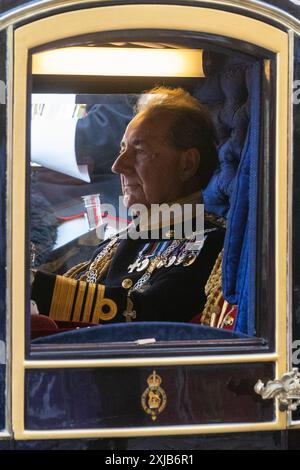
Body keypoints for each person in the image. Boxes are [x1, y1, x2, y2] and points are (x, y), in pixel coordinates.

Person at [31, 87, 224, 325]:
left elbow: (147, 315)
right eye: (122, 149)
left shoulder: (208, 242)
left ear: (187, 164)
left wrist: (31, 286)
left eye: (139, 150)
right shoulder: (115, 242)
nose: (118, 165)